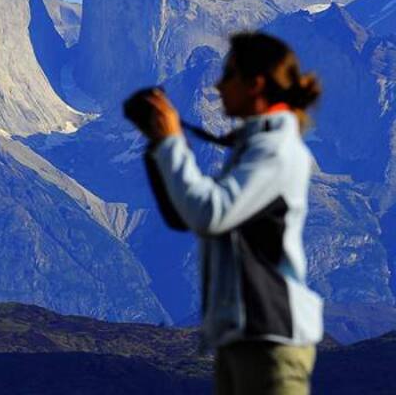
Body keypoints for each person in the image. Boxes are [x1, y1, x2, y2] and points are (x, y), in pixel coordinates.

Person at [130, 32, 323, 395]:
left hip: (269, 338)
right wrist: (160, 145)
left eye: (229, 75)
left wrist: (171, 143)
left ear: (256, 85)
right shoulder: (256, 147)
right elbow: (189, 218)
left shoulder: (276, 151)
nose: (218, 85)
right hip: (248, 337)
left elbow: (211, 214)